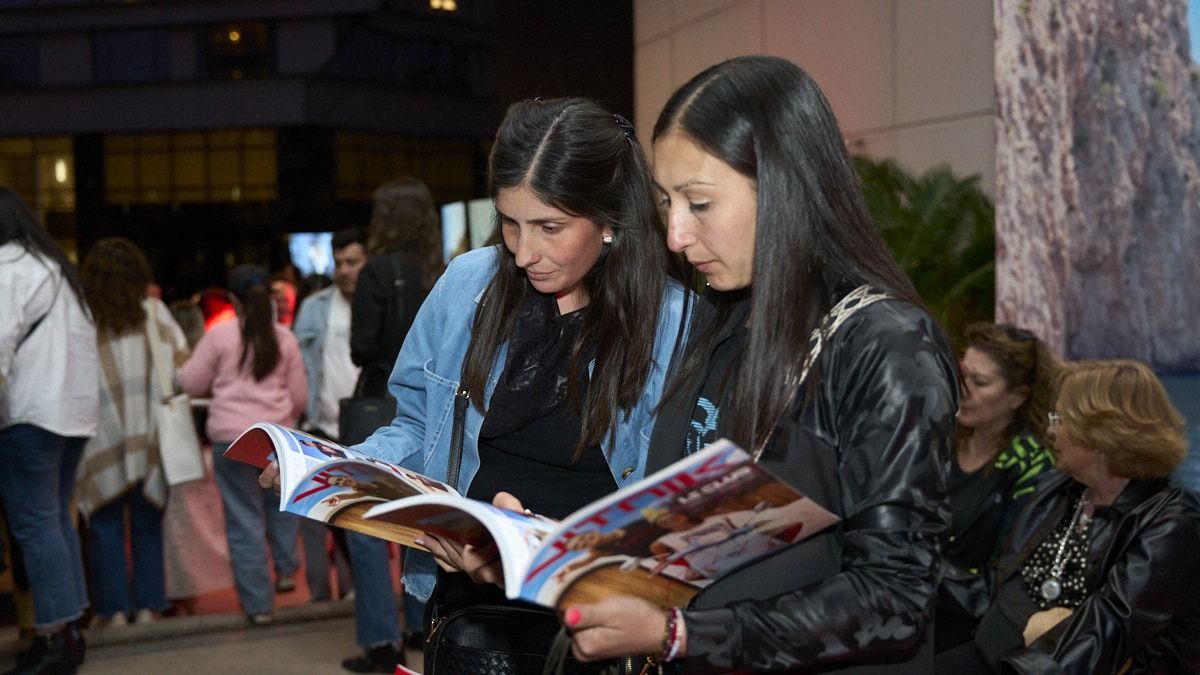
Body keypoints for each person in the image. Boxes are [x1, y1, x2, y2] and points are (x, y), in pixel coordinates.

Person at [562, 56, 959, 673]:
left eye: (698, 203)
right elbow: (689, 532)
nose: (675, 236)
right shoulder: (720, 319)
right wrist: (554, 555)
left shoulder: (886, 344)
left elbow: (896, 594)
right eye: (667, 202)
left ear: (784, 186)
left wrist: (682, 634)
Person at [267, 96, 690, 672]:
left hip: (604, 615)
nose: (524, 252)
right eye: (510, 223)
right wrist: (331, 469)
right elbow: (417, 423)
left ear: (611, 219)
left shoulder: (674, 321)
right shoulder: (469, 284)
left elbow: (681, 492)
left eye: (550, 227)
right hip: (472, 610)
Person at [936, 359, 1200, 673]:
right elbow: (998, 586)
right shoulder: (1059, 489)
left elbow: (1104, 630)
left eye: (1059, 418)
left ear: (1103, 435)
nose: (1050, 430)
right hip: (992, 648)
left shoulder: (1170, 524)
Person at [345, 176, 444, 664]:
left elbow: (361, 347)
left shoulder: (377, 272)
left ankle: (380, 641)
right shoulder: (444, 271)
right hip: (440, 410)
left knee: (364, 521)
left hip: (381, 405)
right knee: (421, 519)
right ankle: (422, 627)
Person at [0, 187, 97, 673]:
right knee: (56, 520)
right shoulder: (57, 269)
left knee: (35, 525)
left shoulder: (6, 268)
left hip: (29, 414)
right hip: (73, 414)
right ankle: (72, 632)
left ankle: (53, 640)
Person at [178, 263, 307, 625]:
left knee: (243, 520)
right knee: (280, 506)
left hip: (231, 441)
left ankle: (258, 606)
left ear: (232, 300)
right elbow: (299, 397)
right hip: (277, 440)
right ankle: (284, 569)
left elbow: (190, 382)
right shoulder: (285, 338)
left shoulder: (220, 336)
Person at [293, 227, 394, 671]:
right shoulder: (315, 309)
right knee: (351, 531)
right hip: (329, 428)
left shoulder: (383, 305)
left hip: (377, 429)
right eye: (340, 262)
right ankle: (376, 632)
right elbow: (301, 371)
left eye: (354, 261)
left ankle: (393, 630)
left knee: (382, 533)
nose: (345, 270)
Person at [76, 237, 189, 627]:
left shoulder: (84, 318)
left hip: (98, 435)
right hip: (151, 435)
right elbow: (180, 367)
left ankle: (113, 611)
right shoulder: (154, 312)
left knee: (104, 525)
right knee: (147, 521)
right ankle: (147, 605)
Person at [937, 323, 1061, 651]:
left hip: (973, 630)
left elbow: (1006, 580)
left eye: (980, 382)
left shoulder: (1030, 465)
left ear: (1017, 397)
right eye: (962, 375)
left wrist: (917, 568)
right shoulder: (940, 438)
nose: (963, 388)